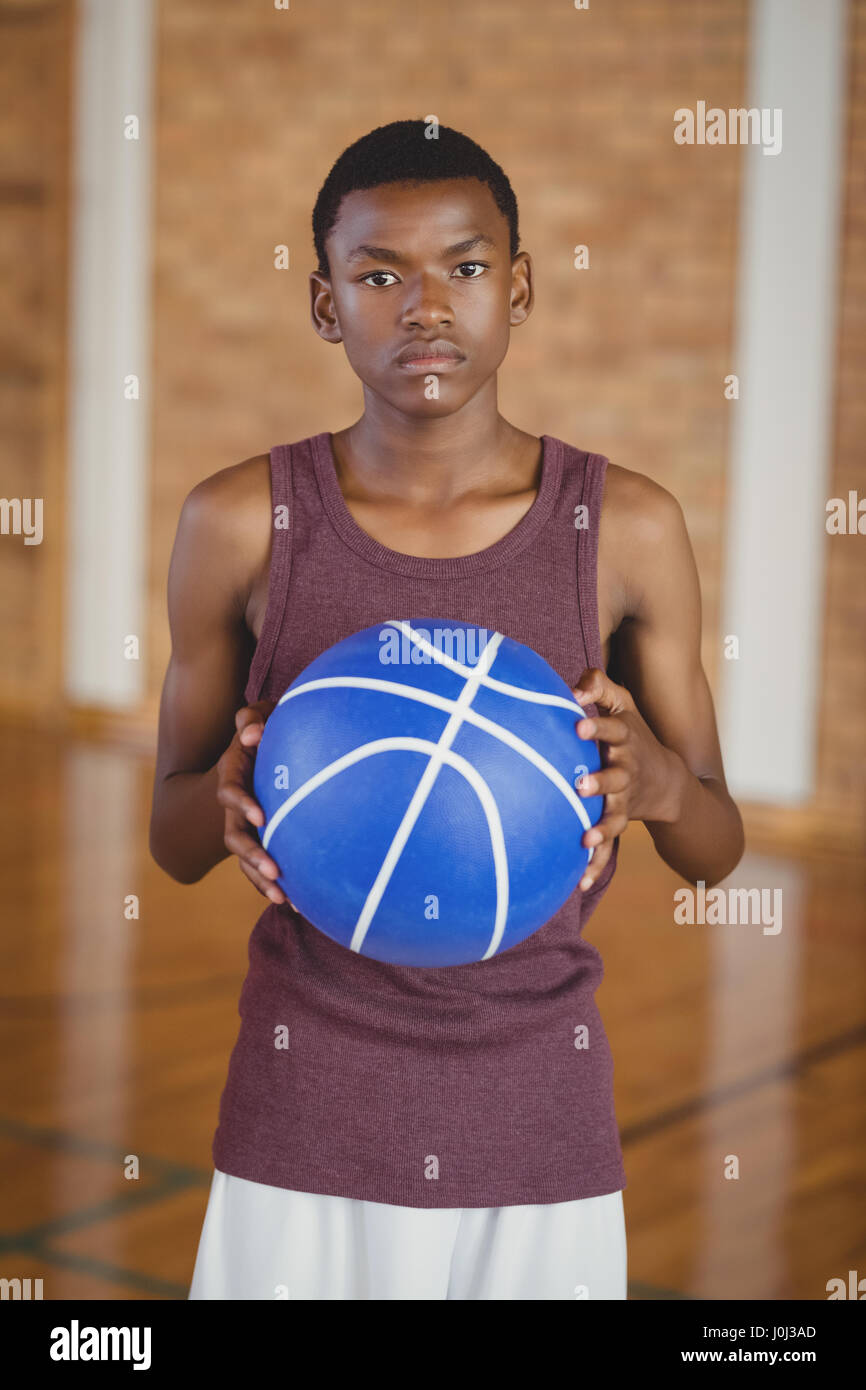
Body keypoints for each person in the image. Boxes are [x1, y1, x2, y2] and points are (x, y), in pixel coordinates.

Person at [149, 119, 744, 1300]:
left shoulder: (621, 525)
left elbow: (714, 850)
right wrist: (216, 805)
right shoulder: (236, 521)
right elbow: (167, 845)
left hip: (536, 1108)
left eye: (465, 269)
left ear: (516, 288)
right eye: (379, 275)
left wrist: (664, 785)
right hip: (303, 1104)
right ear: (324, 304)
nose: (426, 307)